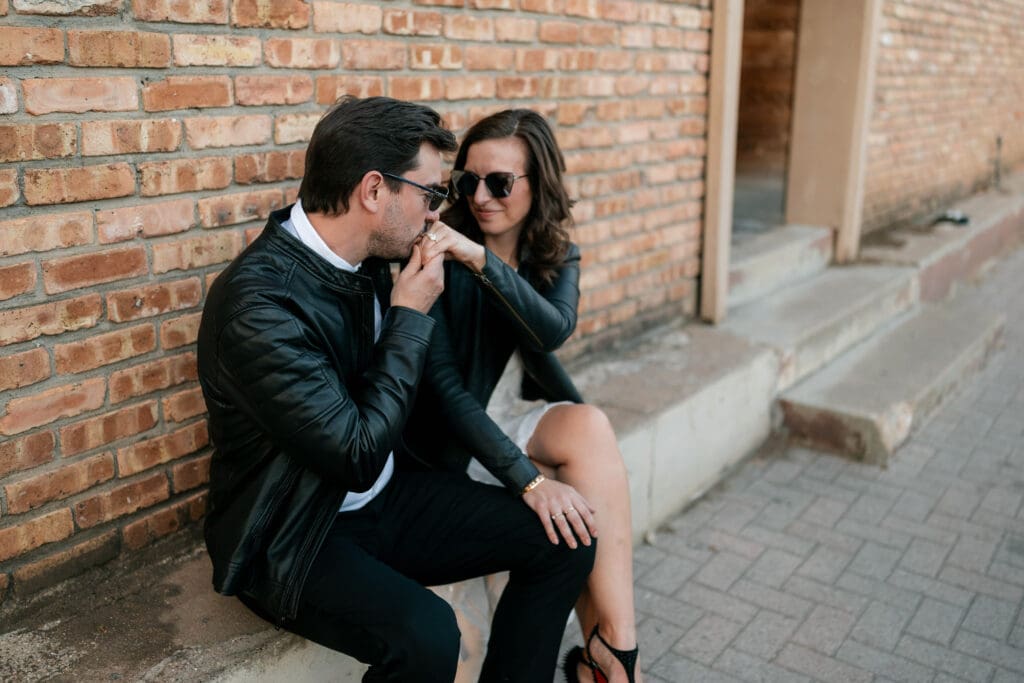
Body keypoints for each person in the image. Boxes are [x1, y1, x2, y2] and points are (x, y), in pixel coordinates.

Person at [196, 96, 596, 683]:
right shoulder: (260, 308)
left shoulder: (367, 260)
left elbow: (462, 376)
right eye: (432, 194)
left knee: (566, 539)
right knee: (430, 634)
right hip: (296, 533)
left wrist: (527, 481)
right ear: (374, 191)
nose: (439, 214)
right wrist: (410, 317)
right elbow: (354, 455)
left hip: (385, 498)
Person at [401, 109, 643, 683]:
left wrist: (485, 262)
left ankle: (615, 648)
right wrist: (528, 482)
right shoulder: (434, 250)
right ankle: (613, 666)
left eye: (500, 183)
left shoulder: (553, 252)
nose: (481, 197)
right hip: (449, 438)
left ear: (539, 185)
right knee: (577, 502)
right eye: (468, 181)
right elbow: (446, 395)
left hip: (508, 415)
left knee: (590, 429)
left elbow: (552, 328)